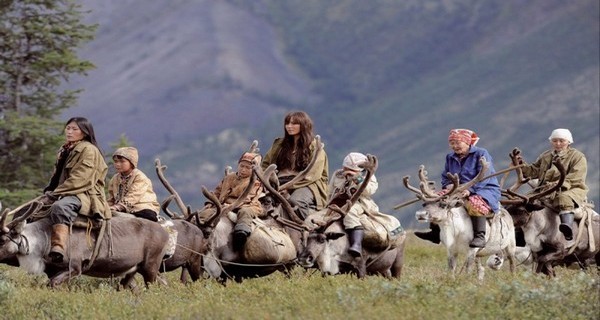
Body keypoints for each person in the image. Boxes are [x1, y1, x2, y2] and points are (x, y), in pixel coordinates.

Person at [415, 129, 501, 248]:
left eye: (458, 142)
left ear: (467, 142)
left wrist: (470, 191)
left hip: (483, 188)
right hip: (457, 189)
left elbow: (485, 176)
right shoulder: (450, 157)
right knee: (435, 200)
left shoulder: (481, 153)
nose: (455, 146)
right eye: (452, 143)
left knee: (474, 204)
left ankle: (479, 236)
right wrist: (448, 186)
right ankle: (435, 232)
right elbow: (445, 175)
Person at [41, 117, 111, 263]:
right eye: (68, 128)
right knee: (33, 209)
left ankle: (58, 247)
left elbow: (80, 179)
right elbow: (57, 176)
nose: (70, 132)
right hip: (64, 191)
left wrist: (55, 194)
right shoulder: (65, 149)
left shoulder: (89, 150)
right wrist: (48, 192)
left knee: (60, 207)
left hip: (84, 193)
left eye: (74, 129)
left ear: (84, 133)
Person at [513, 128, 588, 241]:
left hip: (571, 189)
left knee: (563, 199)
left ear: (569, 142)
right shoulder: (546, 156)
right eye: (555, 141)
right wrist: (520, 164)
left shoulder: (578, 157)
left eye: (561, 141)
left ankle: (567, 228)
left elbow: (576, 177)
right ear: (551, 142)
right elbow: (533, 171)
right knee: (522, 201)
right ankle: (518, 232)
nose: (558, 144)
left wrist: (558, 184)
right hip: (545, 190)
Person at [329, 152, 401, 257]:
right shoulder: (337, 174)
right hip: (337, 202)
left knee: (350, 212)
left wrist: (357, 178)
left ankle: (356, 244)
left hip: (359, 204)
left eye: (351, 170)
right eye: (345, 168)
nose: (347, 171)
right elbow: (330, 190)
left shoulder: (368, 176)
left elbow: (370, 190)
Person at [261, 111, 329, 220]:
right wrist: (266, 181)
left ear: (304, 125)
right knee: (259, 201)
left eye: (294, 123)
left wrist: (288, 189)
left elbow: (313, 174)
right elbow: (265, 165)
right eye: (287, 123)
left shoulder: (316, 147)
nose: (289, 126)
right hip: (278, 181)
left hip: (307, 184)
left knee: (297, 202)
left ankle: (310, 226)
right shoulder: (279, 144)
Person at [198, 152, 263, 250]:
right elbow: (217, 192)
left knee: (245, 213)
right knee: (205, 214)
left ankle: (241, 235)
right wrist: (211, 203)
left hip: (246, 206)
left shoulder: (256, 183)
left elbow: (249, 198)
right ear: (238, 165)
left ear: (254, 169)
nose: (243, 169)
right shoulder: (229, 177)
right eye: (241, 166)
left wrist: (231, 206)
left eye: (247, 168)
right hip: (222, 206)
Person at [107, 147, 160, 222]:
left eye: (122, 161)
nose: (118, 164)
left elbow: (134, 195)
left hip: (142, 208)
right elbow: (111, 198)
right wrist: (106, 208)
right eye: (115, 161)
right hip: (123, 209)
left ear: (132, 163)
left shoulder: (140, 177)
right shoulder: (115, 179)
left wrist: (118, 207)